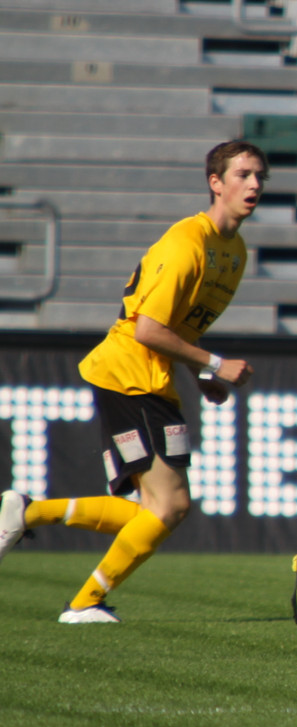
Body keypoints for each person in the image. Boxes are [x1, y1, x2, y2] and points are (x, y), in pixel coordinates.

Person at [0, 140, 266, 623]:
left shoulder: (234, 251)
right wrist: (215, 363)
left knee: (159, 507)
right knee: (170, 506)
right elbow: (147, 329)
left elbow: (180, 325)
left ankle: (28, 514)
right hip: (129, 372)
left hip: (151, 378)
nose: (254, 184)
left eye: (259, 176)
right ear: (215, 183)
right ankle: (83, 602)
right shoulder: (187, 243)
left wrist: (200, 373)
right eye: (243, 175)